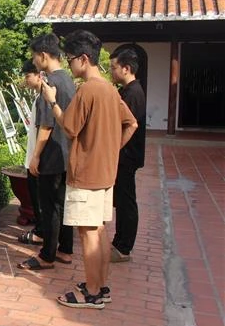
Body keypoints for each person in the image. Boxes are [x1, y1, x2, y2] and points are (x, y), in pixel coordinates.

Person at [40, 29, 137, 309]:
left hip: (86, 175)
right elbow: (131, 124)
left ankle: (92, 292)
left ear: (83, 58)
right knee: (99, 231)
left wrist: (52, 101)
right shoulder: (109, 88)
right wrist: (111, 149)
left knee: (88, 235)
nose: (69, 64)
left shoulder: (88, 90)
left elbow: (69, 128)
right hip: (105, 172)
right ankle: (100, 287)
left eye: (70, 59)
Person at [18, 33, 75, 270]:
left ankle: (47, 255)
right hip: (66, 153)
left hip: (52, 154)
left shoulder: (50, 83)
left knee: (50, 206)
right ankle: (65, 250)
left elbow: (46, 125)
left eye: (34, 56)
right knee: (63, 204)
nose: (34, 60)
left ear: (43, 56)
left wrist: (36, 156)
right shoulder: (68, 80)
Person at [109, 45, 146, 262]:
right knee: (122, 201)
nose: (112, 71)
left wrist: (115, 150)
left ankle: (124, 247)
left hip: (127, 156)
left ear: (126, 68)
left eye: (114, 67)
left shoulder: (133, 93)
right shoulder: (127, 91)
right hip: (124, 156)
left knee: (126, 201)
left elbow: (128, 127)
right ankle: (119, 241)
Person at [17, 59, 44, 246]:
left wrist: (36, 157)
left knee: (40, 200)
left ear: (39, 75)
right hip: (34, 157)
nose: (26, 80)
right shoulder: (38, 98)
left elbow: (45, 129)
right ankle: (41, 230)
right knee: (37, 200)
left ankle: (42, 233)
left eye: (28, 76)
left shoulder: (44, 98)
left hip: (37, 159)